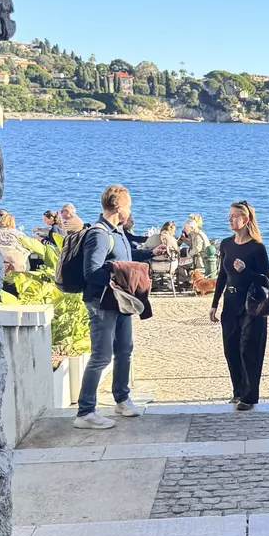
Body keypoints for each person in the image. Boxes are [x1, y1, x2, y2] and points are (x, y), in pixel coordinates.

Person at [74, 183, 153, 430]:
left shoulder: (117, 231)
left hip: (119, 302)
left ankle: (122, 399)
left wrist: (149, 253)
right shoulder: (99, 234)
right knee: (101, 356)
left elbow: (126, 257)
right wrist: (115, 270)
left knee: (125, 350)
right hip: (102, 303)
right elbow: (92, 272)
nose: (130, 211)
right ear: (119, 207)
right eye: (128, 206)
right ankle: (85, 412)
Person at [210, 200, 269, 409]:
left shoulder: (257, 248)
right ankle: (237, 391)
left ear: (245, 220)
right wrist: (214, 303)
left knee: (248, 350)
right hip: (230, 303)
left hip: (251, 305)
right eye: (229, 216)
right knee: (231, 350)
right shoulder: (226, 244)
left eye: (234, 216)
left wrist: (246, 271)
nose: (230, 219)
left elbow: (265, 281)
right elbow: (221, 275)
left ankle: (249, 397)